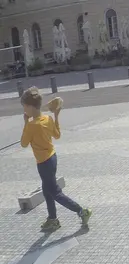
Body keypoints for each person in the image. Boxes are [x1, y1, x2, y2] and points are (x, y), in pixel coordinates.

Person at [20, 89, 92, 231]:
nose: (24, 110)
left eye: (24, 107)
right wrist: (56, 116)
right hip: (52, 158)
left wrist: (25, 123)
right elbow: (57, 135)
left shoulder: (31, 126)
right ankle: (53, 219)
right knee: (47, 190)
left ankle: (82, 211)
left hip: (43, 163)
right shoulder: (48, 119)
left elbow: (23, 143)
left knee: (55, 192)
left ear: (29, 106)